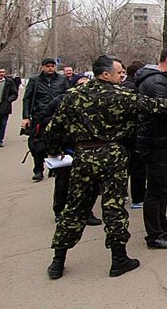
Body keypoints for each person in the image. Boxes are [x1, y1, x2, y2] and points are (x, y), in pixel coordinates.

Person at [44, 55, 167, 280]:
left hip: (83, 156)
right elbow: (155, 106)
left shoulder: (73, 96)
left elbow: (53, 129)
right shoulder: (120, 96)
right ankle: (118, 259)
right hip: (112, 155)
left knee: (74, 207)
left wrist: (54, 150)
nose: (122, 76)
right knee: (114, 208)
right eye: (119, 72)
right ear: (106, 74)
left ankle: (58, 261)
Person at [135, 45, 167, 249]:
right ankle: (154, 234)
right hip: (156, 143)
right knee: (156, 189)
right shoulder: (155, 81)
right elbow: (164, 108)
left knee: (164, 186)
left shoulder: (165, 79)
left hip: (166, 141)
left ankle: (163, 226)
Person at [43, 75, 103, 226]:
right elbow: (47, 123)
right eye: (80, 84)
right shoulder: (61, 101)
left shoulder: (95, 101)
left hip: (90, 149)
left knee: (92, 184)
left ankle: (86, 211)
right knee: (64, 182)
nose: (84, 88)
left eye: (88, 84)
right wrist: (55, 149)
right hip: (66, 150)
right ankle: (60, 210)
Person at [22, 58, 70, 181]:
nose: (50, 68)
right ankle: (38, 170)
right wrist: (26, 117)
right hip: (39, 116)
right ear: (43, 67)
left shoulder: (62, 79)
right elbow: (27, 98)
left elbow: (68, 96)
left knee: (58, 142)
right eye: (47, 66)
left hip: (57, 115)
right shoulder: (35, 80)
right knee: (37, 144)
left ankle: (54, 167)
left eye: (52, 66)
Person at [122, 61, 147, 209]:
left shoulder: (122, 87)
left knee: (125, 166)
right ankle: (138, 198)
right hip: (134, 133)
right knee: (137, 166)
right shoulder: (134, 89)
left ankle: (123, 193)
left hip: (123, 134)